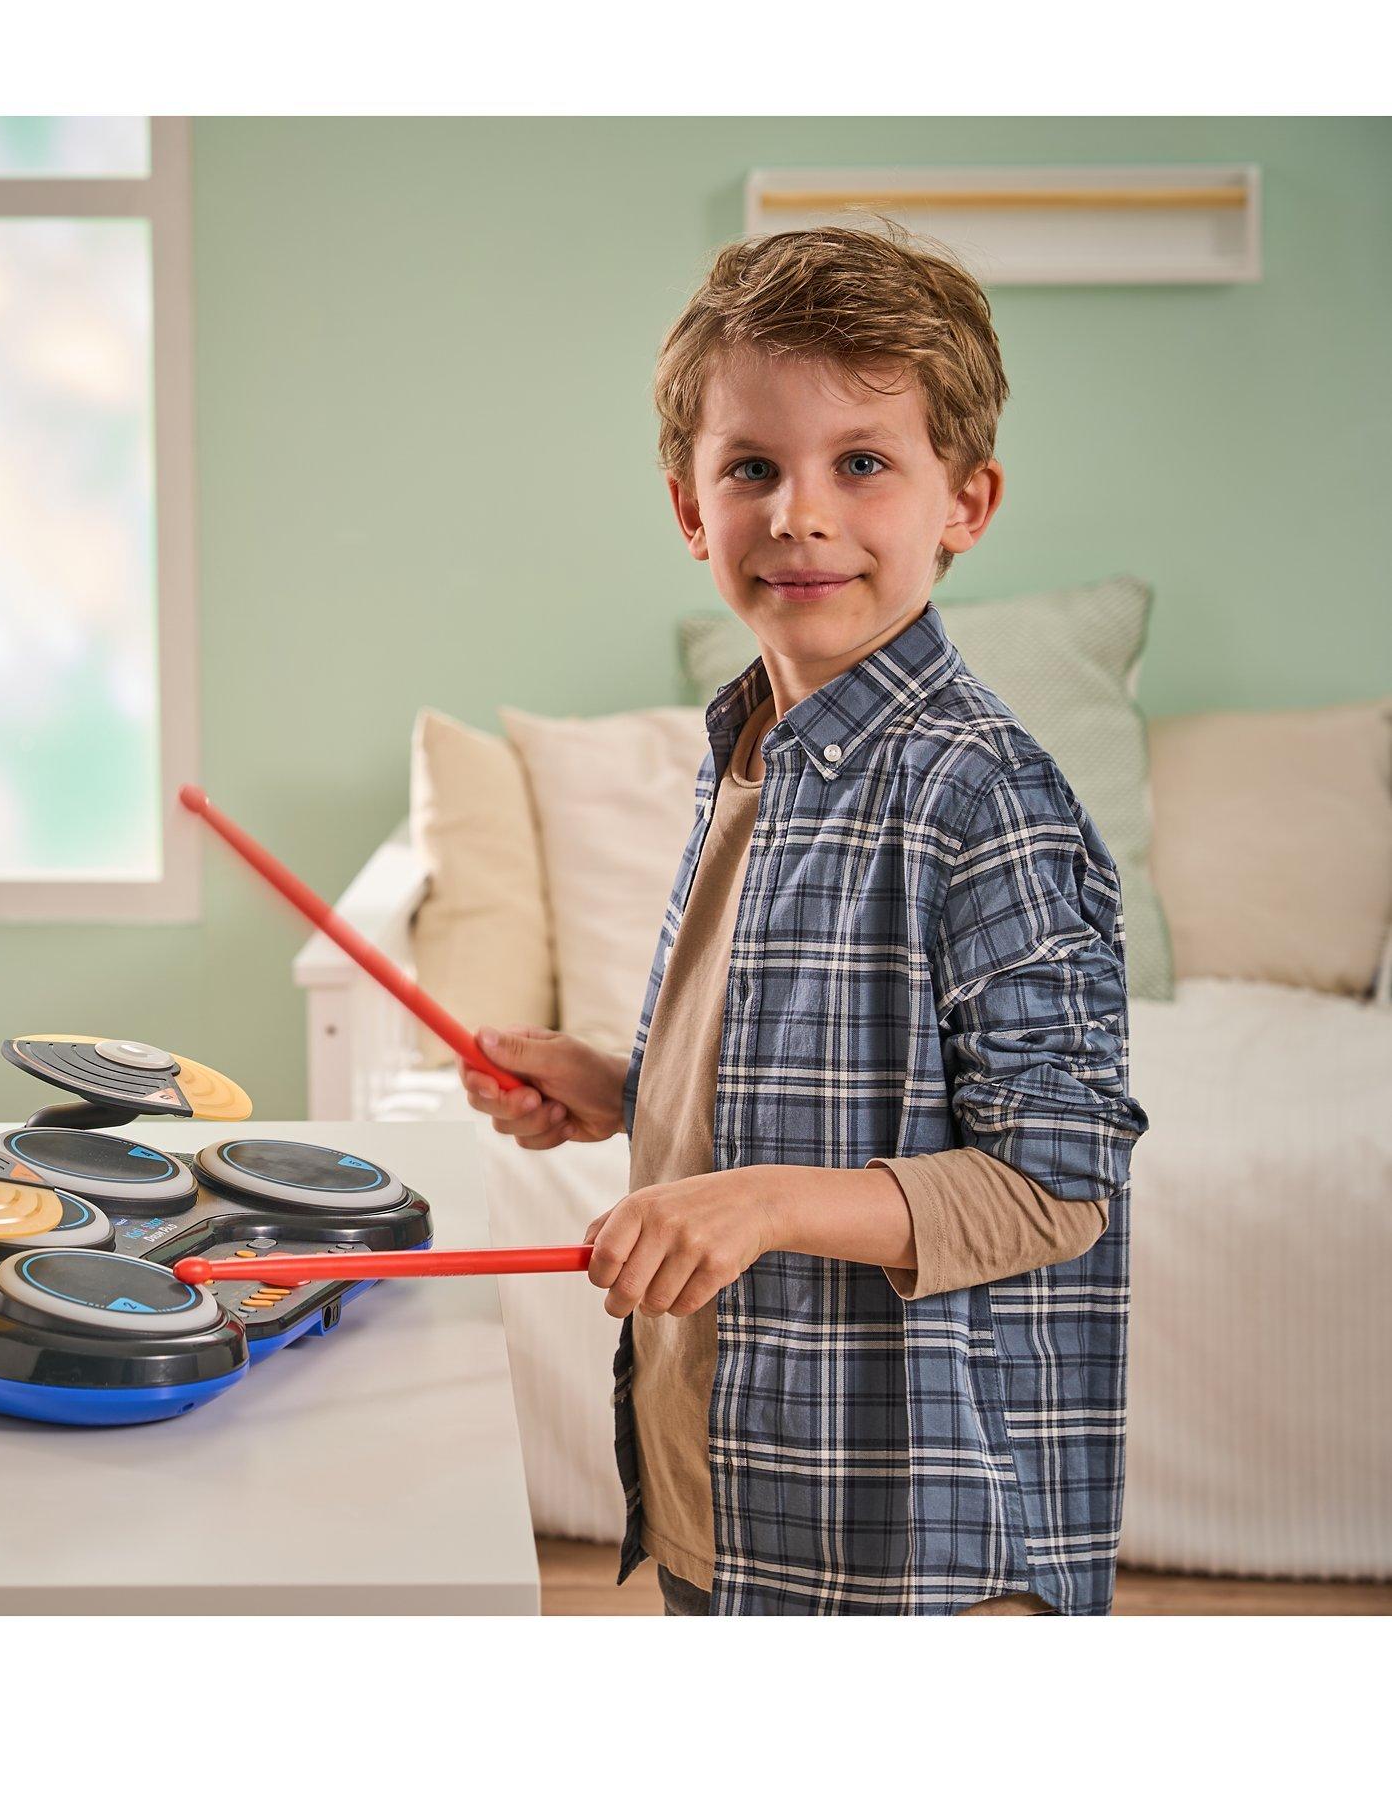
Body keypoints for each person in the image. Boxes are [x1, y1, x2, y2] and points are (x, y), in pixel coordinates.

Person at [466, 222, 1148, 1614]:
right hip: (728, 1489)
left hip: (904, 1545)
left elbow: (1055, 1183)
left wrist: (765, 1204)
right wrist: (625, 1090)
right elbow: (822, 1074)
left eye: (862, 463)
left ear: (965, 501)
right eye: (751, 469)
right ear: (688, 507)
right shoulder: (753, 750)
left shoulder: (984, 796)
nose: (799, 514)